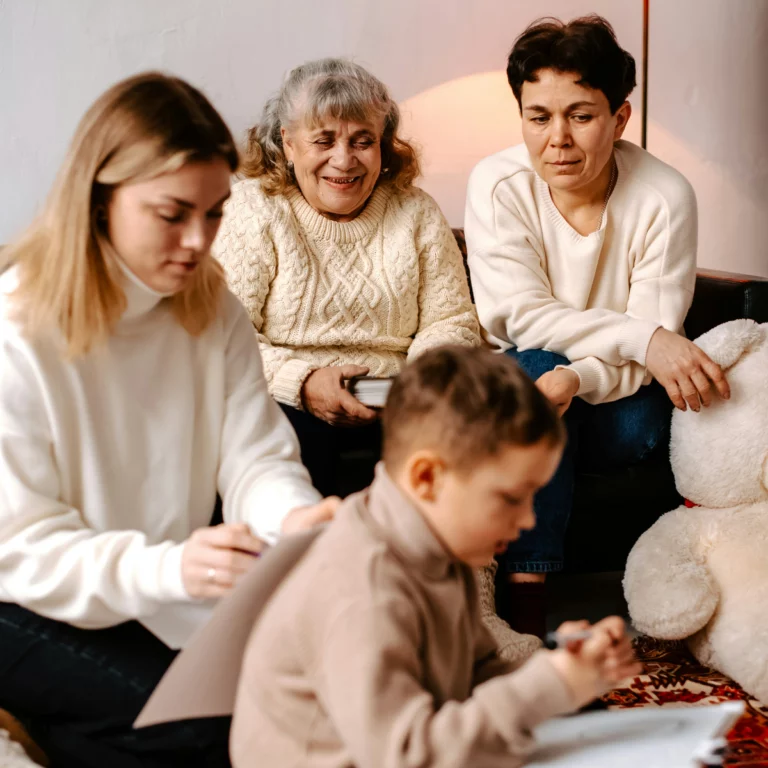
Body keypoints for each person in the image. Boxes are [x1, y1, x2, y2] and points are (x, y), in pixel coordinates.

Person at [0, 72, 336, 768]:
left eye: (215, 213)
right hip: (22, 596)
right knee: (202, 733)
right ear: (100, 197)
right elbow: (21, 545)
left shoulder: (210, 310)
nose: (198, 240)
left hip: (147, 586)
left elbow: (256, 460)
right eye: (172, 212)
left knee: (284, 712)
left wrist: (295, 521)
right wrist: (170, 567)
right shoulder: (15, 328)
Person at [229, 345, 641, 768]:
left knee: (577, 716)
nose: (526, 520)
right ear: (427, 478)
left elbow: (476, 672)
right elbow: (408, 757)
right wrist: (546, 687)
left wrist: (562, 666)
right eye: (510, 498)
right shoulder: (364, 587)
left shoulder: (441, 548)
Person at [465, 15, 729, 636]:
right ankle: (527, 609)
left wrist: (576, 380)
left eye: (581, 116)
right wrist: (639, 340)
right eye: (539, 117)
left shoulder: (664, 195)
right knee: (529, 369)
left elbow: (658, 347)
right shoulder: (499, 186)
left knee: (579, 395)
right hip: (529, 388)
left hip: (618, 403)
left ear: (620, 118)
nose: (557, 139)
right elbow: (517, 316)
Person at [213, 57, 481, 500]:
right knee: (289, 442)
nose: (344, 160)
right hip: (287, 398)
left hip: (402, 397)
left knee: (446, 443)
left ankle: (448, 571)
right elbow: (223, 337)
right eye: (324, 140)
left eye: (363, 141)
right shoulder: (253, 209)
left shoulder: (415, 211)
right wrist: (304, 381)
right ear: (288, 142)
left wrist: (419, 388)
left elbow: (451, 320)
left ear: (383, 145)